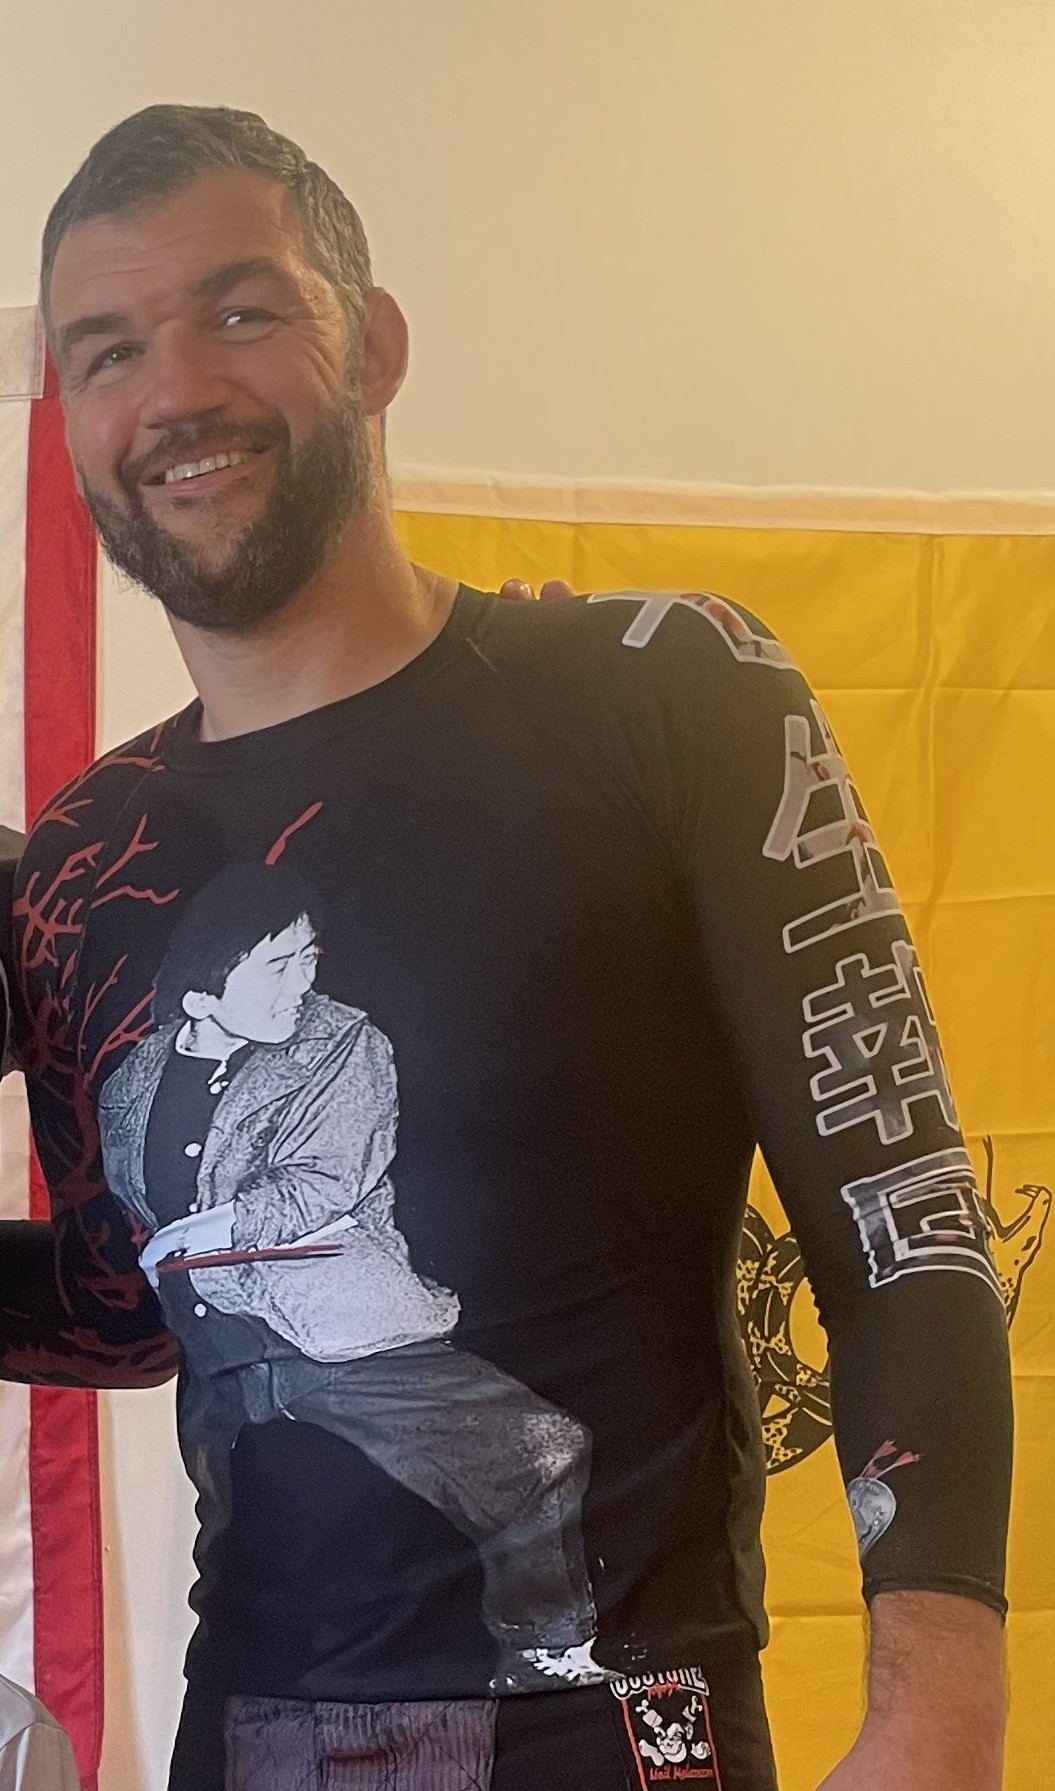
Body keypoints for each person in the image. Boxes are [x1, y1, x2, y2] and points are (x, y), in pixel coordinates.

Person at [0, 105, 1010, 1791]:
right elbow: (130, 1302)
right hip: (251, 1732)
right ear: (75, 423)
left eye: (240, 310)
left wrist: (935, 1717)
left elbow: (899, 1219)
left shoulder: (666, 692)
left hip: (620, 1730)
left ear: (374, 344)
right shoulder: (89, 861)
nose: (173, 391)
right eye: (109, 350)